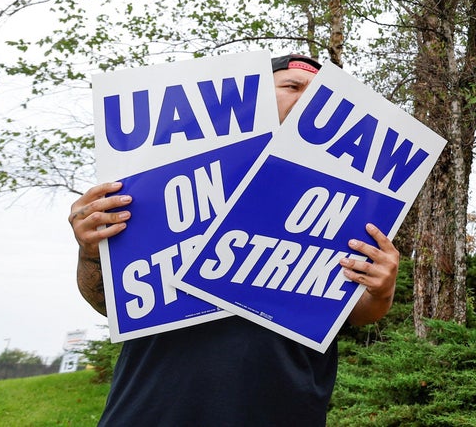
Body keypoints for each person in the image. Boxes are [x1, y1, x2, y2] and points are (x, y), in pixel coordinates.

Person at [68, 53, 399, 426]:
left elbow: (355, 314)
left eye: (323, 96)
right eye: (292, 87)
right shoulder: (155, 185)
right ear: (253, 98)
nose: (309, 100)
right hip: (152, 408)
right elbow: (109, 305)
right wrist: (91, 253)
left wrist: (381, 291)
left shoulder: (352, 201)